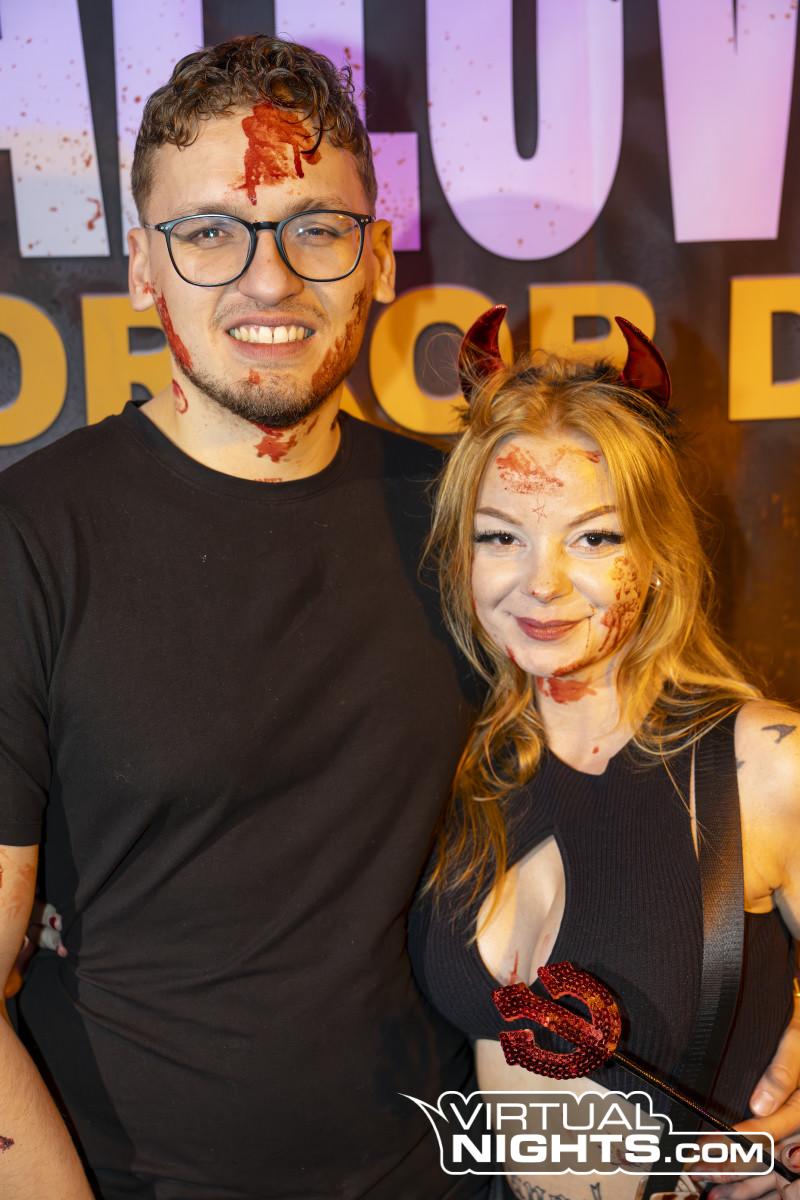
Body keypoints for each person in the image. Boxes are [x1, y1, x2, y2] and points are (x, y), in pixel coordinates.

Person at [0, 35, 486, 1200]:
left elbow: (655, 802)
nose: (269, 283)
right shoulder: (30, 538)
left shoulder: (475, 524)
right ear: (143, 267)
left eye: (315, 229)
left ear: (376, 259)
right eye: (211, 232)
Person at [408, 308, 800, 1200]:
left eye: (594, 536)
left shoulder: (764, 764)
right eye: (500, 536)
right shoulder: (461, 771)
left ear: (657, 552)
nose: (541, 583)